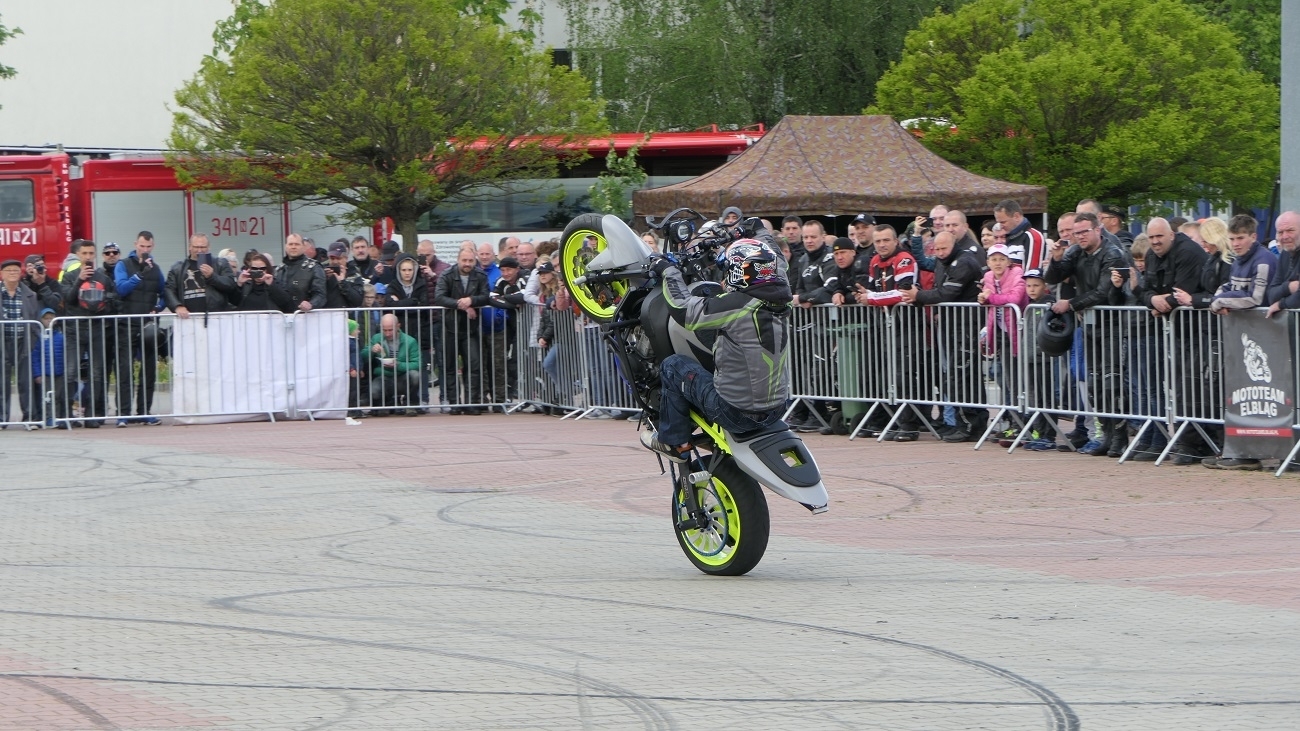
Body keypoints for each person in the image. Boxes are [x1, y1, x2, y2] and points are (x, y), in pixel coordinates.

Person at [639, 239, 792, 462]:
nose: (724, 278)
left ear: (740, 272)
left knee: (673, 366)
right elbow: (778, 260)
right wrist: (754, 228)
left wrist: (668, 270)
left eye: (728, 271)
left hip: (736, 413)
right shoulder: (782, 297)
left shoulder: (739, 304)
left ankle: (673, 442)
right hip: (777, 409)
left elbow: (684, 309)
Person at [1045, 212, 1129, 457]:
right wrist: (1056, 259)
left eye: (1084, 231)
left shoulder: (1112, 253)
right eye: (1076, 232)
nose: (1080, 236)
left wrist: (1071, 304)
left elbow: (1102, 293)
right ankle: (1106, 436)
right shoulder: (1075, 252)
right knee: (1094, 384)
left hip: (1112, 326)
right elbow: (1052, 278)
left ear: (1098, 230)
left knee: (1112, 384)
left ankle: (1120, 438)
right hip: (1089, 327)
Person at [1133, 218, 1208, 461]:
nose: (1155, 242)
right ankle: (1185, 443)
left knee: (1193, 388)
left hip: (1197, 330)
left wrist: (1160, 302)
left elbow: (1182, 292)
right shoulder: (1152, 255)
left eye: (1159, 237)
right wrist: (1154, 301)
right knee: (1178, 388)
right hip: (1173, 331)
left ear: (1171, 235)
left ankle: (1196, 445)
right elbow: (1147, 290)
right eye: (1152, 237)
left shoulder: (1188, 252)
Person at [900, 231, 987, 441]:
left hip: (966, 326)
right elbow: (934, 280)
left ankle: (969, 425)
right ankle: (963, 423)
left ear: (954, 244)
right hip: (951, 326)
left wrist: (918, 295)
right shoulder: (943, 261)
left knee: (963, 376)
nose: (939, 253)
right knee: (956, 376)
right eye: (937, 249)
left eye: (943, 249)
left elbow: (947, 293)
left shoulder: (964, 262)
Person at [858, 225, 923, 441]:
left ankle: (909, 425)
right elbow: (872, 290)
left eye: (886, 240)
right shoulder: (875, 261)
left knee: (904, 375)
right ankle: (892, 421)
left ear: (896, 241)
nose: (882, 245)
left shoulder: (904, 259)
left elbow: (903, 293)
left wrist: (872, 298)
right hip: (885, 326)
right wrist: (865, 295)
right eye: (878, 241)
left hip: (908, 326)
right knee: (884, 375)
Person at [61, 240, 120, 427]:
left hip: (96, 329)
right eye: (84, 253)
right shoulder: (69, 276)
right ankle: (65, 415)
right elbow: (68, 299)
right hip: (74, 329)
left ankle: (91, 415)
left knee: (96, 373)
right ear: (78, 254)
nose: (87, 257)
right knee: (70, 372)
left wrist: (102, 307)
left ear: (94, 255)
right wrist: (80, 280)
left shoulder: (103, 278)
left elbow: (113, 302)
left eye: (90, 253)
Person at [114, 232, 167, 425]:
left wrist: (158, 308)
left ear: (153, 246)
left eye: (148, 247)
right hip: (127, 324)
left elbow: (164, 293)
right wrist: (138, 275)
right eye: (142, 246)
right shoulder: (123, 265)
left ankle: (144, 411)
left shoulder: (156, 269)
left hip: (147, 326)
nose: (145, 250)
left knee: (149, 370)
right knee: (125, 370)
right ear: (135, 244)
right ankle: (123, 413)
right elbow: (121, 289)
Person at [2, 259, 58, 428]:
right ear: (2, 274)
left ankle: (30, 418)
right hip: (2, 342)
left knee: (25, 381)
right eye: (9, 270)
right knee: (2, 381)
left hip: (23, 341)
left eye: (16, 270)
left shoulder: (30, 295)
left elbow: (34, 319)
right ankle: (2, 418)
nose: (13, 273)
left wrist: (33, 340)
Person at [433, 247, 490, 414]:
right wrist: (462, 305)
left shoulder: (480, 275)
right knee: (449, 366)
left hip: (471, 329)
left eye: (470, 261)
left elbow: (486, 296)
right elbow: (439, 297)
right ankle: (455, 403)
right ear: (458, 260)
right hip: (449, 327)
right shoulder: (447, 275)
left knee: (473, 366)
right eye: (464, 260)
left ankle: (471, 403)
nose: (467, 264)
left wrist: (471, 300)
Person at [383, 253, 432, 410]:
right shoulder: (393, 286)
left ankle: (420, 400)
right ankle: (397, 401)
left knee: (420, 367)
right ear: (399, 270)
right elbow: (389, 305)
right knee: (397, 366)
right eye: (404, 270)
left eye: (410, 269)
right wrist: (412, 302)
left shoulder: (421, 284)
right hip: (399, 333)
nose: (407, 273)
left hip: (419, 332)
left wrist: (401, 304)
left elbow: (423, 306)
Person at [165, 234, 238, 318]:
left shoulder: (220, 263)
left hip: (216, 317)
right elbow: (169, 289)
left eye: (203, 247)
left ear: (209, 247)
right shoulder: (178, 268)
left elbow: (230, 284)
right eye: (196, 247)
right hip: (187, 318)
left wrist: (212, 276)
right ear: (190, 247)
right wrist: (177, 306)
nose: (199, 250)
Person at [367, 313, 422, 414]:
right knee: (374, 391)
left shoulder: (410, 341)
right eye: (384, 330)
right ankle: (386, 404)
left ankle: (410, 404)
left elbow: (417, 363)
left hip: (402, 376)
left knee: (415, 375)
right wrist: (371, 350)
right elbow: (363, 356)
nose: (387, 334)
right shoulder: (376, 338)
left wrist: (399, 365)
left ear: (398, 326)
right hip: (384, 377)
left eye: (390, 330)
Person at [30, 308, 67, 428]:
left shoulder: (61, 337)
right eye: (46, 318)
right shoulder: (39, 338)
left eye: (51, 318)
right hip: (45, 373)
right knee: (47, 397)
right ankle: (48, 417)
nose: (49, 320)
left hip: (59, 372)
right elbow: (35, 357)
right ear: (41, 320)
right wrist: (37, 374)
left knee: (58, 396)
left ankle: (57, 416)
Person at [275, 233, 326, 312]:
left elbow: (321, 295)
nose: (293, 247)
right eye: (290, 244)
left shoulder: (314, 267)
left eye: (297, 244)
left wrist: (311, 304)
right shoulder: (279, 270)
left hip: (307, 315)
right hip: (283, 316)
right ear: (286, 246)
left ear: (303, 247)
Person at [994, 199, 1048, 272]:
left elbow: (1032, 274)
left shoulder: (1033, 236)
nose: (1000, 226)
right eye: (998, 222)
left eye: (1003, 222)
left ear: (1016, 216)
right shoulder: (1005, 238)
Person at [323, 240, 364, 309]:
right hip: (326, 313)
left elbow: (358, 301)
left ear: (346, 258)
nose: (335, 262)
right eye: (332, 258)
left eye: (338, 258)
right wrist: (324, 279)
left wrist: (343, 282)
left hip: (347, 314)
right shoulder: (322, 271)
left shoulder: (354, 274)